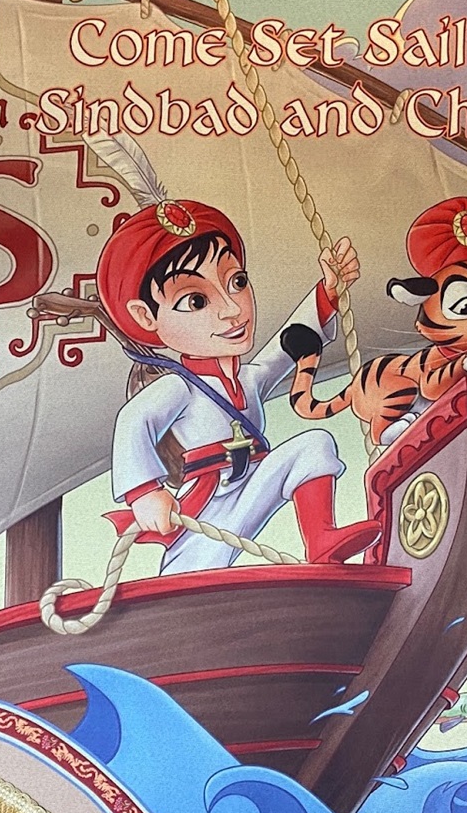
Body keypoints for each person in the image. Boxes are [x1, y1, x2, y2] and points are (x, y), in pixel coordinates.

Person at [96, 197, 381, 574]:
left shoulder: (248, 378)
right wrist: (144, 493)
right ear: (146, 316)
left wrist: (328, 293)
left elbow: (287, 344)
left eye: (237, 282)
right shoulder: (179, 387)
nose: (232, 309)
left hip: (253, 480)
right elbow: (133, 421)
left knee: (314, 443)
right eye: (196, 300)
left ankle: (321, 538)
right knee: (191, 576)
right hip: (207, 505)